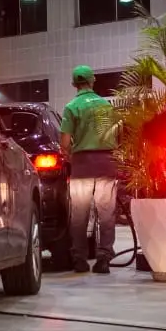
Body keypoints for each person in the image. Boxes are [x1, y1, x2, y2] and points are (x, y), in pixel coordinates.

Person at [60, 65, 119, 274]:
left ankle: (80, 260)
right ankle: (104, 259)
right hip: (106, 162)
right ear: (93, 81)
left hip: (82, 166)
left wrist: (68, 153)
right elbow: (115, 135)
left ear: (74, 84)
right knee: (106, 214)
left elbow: (65, 142)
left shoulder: (71, 107)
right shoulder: (106, 106)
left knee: (79, 215)